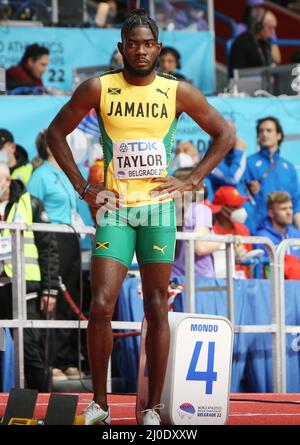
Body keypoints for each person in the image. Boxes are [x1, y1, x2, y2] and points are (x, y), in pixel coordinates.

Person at [46, 9, 234, 425]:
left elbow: (225, 134)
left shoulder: (176, 92)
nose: (141, 50)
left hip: (159, 210)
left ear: (159, 48)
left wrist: (191, 181)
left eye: (148, 43)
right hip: (114, 208)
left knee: (156, 307)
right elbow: (55, 133)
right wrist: (84, 188)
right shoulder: (99, 87)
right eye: (133, 43)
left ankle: (152, 408)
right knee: (100, 305)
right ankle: (99, 403)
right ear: (121, 48)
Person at [28, 130, 82, 382]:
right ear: (51, 146)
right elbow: (31, 210)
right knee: (55, 300)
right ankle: (51, 361)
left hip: (72, 237)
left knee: (73, 297)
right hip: (52, 238)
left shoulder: (66, 173)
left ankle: (68, 358)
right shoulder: (40, 175)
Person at [0, 162, 60, 391]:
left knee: (29, 347)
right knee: (0, 348)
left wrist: (50, 288)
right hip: (1, 288)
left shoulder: (30, 203)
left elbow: (49, 249)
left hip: (27, 286)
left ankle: (42, 399)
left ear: (8, 181)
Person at [245, 116, 300, 231]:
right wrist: (249, 190)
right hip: (258, 230)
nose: (264, 134)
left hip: (285, 232)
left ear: (279, 135)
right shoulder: (248, 163)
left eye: (269, 130)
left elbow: (296, 204)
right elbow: (242, 197)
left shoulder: (288, 167)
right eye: (261, 131)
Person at [172, 168, 223, 278]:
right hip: (200, 283)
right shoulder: (201, 210)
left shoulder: (167, 211)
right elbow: (201, 247)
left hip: (174, 280)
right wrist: (225, 241)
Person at [255, 191, 300, 279]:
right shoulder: (263, 238)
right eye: (283, 209)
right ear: (271, 213)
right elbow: (258, 271)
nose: (289, 212)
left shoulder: (296, 235)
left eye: (290, 208)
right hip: (273, 288)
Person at [212, 186, 253, 279]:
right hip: (220, 281)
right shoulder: (211, 230)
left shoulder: (243, 229)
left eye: (240, 206)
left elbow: (250, 262)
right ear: (222, 209)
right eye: (235, 207)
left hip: (243, 283)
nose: (240, 210)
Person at [229, 7, 281, 77]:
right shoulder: (242, 43)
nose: (273, 32)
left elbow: (274, 61)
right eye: (270, 28)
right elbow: (237, 74)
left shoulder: (265, 43)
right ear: (259, 26)